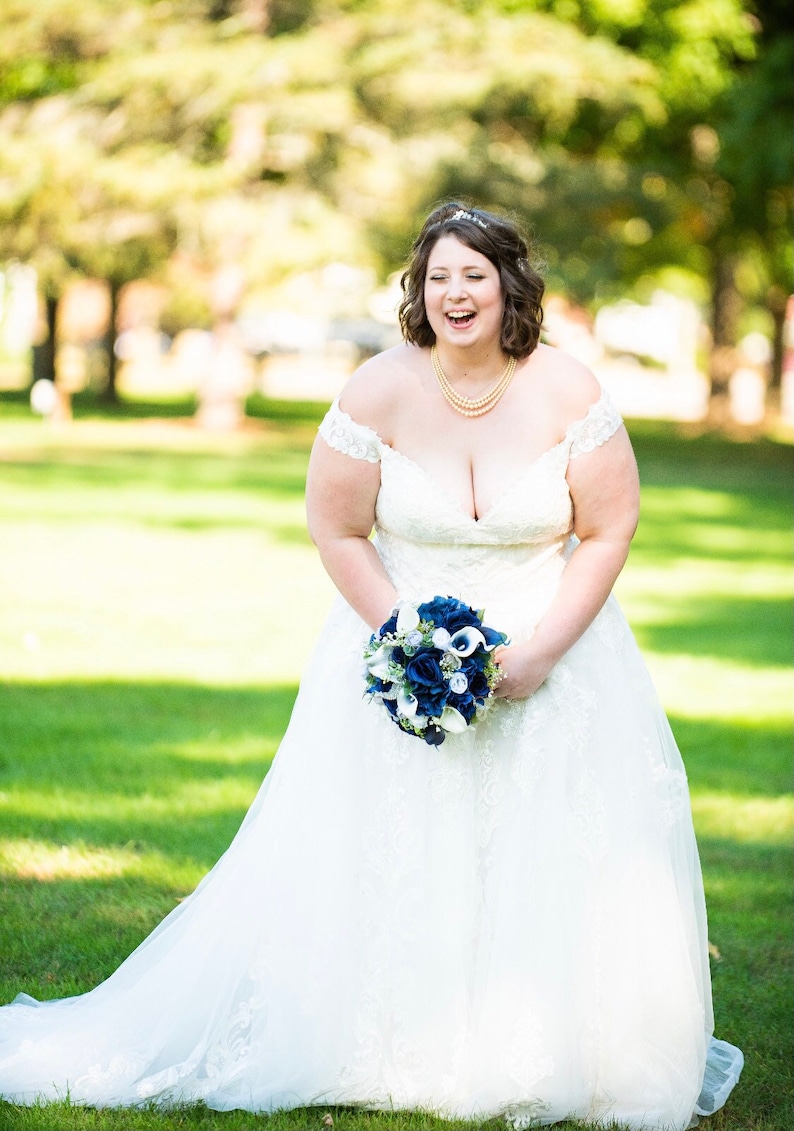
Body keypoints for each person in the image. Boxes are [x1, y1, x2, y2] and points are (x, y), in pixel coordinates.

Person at [0, 202, 743, 1129]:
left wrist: (544, 647)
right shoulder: (375, 391)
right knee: (394, 849)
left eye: (474, 274)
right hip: (399, 653)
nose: (455, 293)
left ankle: (539, 1036)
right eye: (438, 277)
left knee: (546, 848)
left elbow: (609, 526)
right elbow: (337, 526)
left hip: (559, 661)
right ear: (417, 291)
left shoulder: (568, 390)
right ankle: (396, 1033)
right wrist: (411, 639)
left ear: (510, 283)